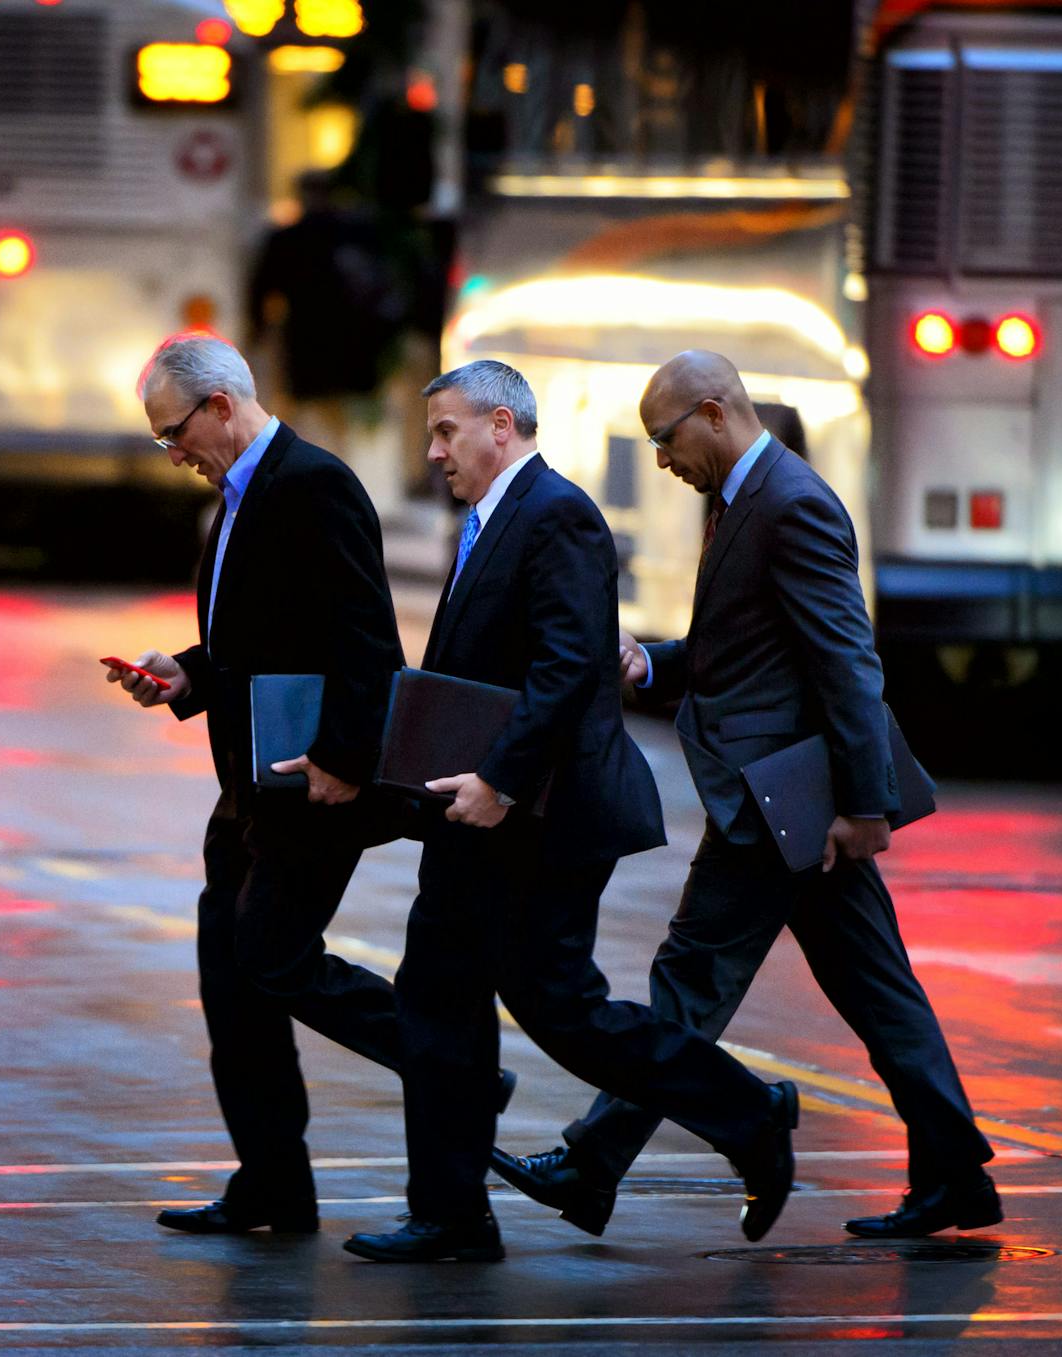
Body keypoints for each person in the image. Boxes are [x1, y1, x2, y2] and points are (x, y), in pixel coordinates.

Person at [492, 350, 1001, 1240]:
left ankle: (597, 1160)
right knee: (877, 990)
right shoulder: (739, 501)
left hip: (784, 805)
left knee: (690, 979)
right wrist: (656, 661)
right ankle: (954, 1172)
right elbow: (740, 650)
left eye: (666, 437)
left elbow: (847, 662)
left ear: (716, 411)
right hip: (787, 801)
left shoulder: (792, 503)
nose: (660, 460)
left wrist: (867, 806)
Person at [341, 360, 799, 1264]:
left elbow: (567, 671)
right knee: (436, 994)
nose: (434, 452)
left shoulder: (559, 517)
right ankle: (450, 1211)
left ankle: (749, 1111)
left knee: (563, 1009)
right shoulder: (487, 520)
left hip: (544, 815)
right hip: (477, 815)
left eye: (445, 431)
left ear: (502, 424)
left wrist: (499, 780)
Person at [104, 334, 409, 1237]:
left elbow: (366, 642)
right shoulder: (241, 497)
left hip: (314, 786)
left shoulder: (313, 484)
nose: (175, 454)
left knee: (272, 957)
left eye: (174, 434)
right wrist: (187, 675)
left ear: (223, 406)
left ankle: (443, 1048)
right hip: (248, 791)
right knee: (232, 984)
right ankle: (273, 1181)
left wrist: (346, 761)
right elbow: (263, 640)